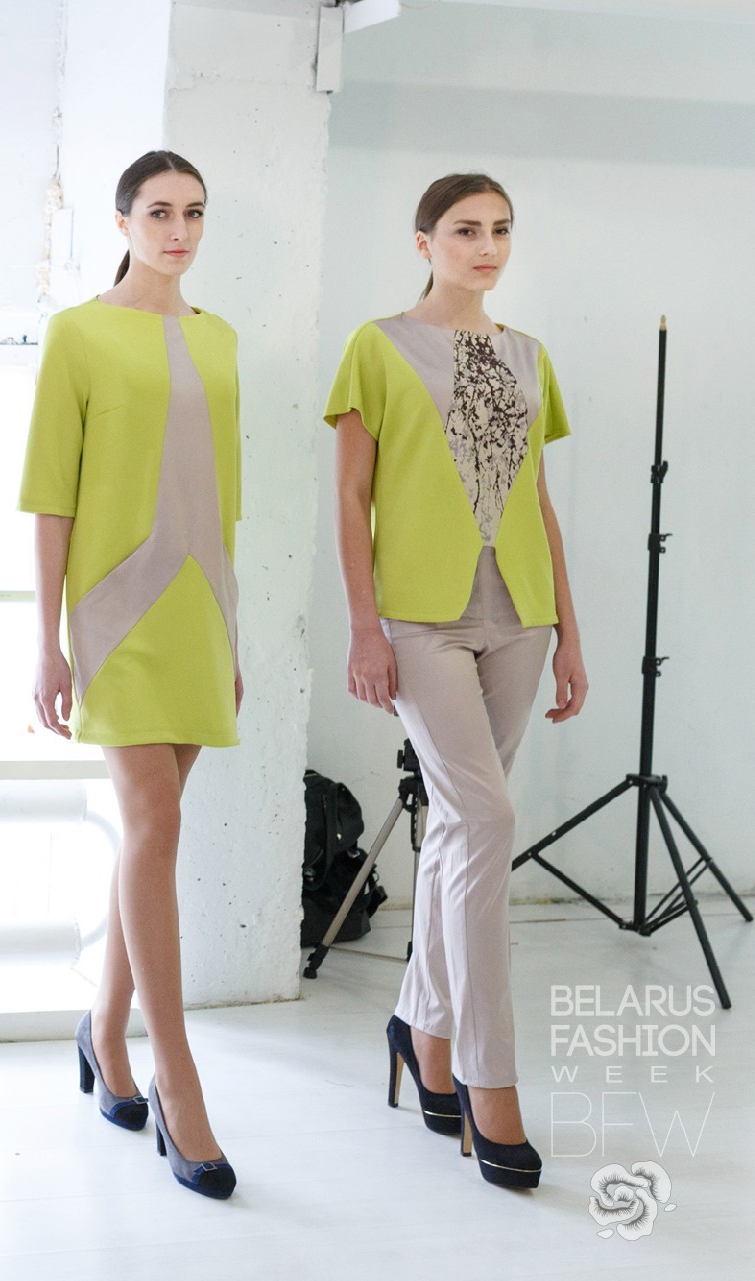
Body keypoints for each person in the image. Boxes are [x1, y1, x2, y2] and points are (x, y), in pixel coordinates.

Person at [327, 172, 587, 1190]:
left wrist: (570, 631)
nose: (487, 247)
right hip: (419, 617)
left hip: (520, 613)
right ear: (423, 241)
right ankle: (490, 1078)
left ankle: (420, 1031)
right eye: (467, 230)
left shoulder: (529, 355)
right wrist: (364, 625)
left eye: (501, 231)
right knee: (485, 819)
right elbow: (351, 496)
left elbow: (539, 500)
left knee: (457, 827)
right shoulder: (378, 346)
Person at [22, 150, 241, 1200]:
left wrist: (234, 634)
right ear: (123, 222)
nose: (178, 230)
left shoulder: (221, 339)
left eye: (193, 213)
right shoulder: (78, 334)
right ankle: (177, 1078)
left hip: (201, 609)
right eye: (158, 212)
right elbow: (50, 496)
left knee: (151, 836)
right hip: (115, 612)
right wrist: (46, 640)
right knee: (155, 822)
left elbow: (224, 497)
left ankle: (104, 1029)